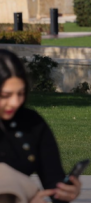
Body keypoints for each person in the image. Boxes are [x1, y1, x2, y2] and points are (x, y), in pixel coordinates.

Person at [0, 50, 82, 203]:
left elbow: (53, 180)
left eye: (20, 93)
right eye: (5, 95)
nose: (15, 102)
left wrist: (65, 192)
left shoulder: (31, 123)